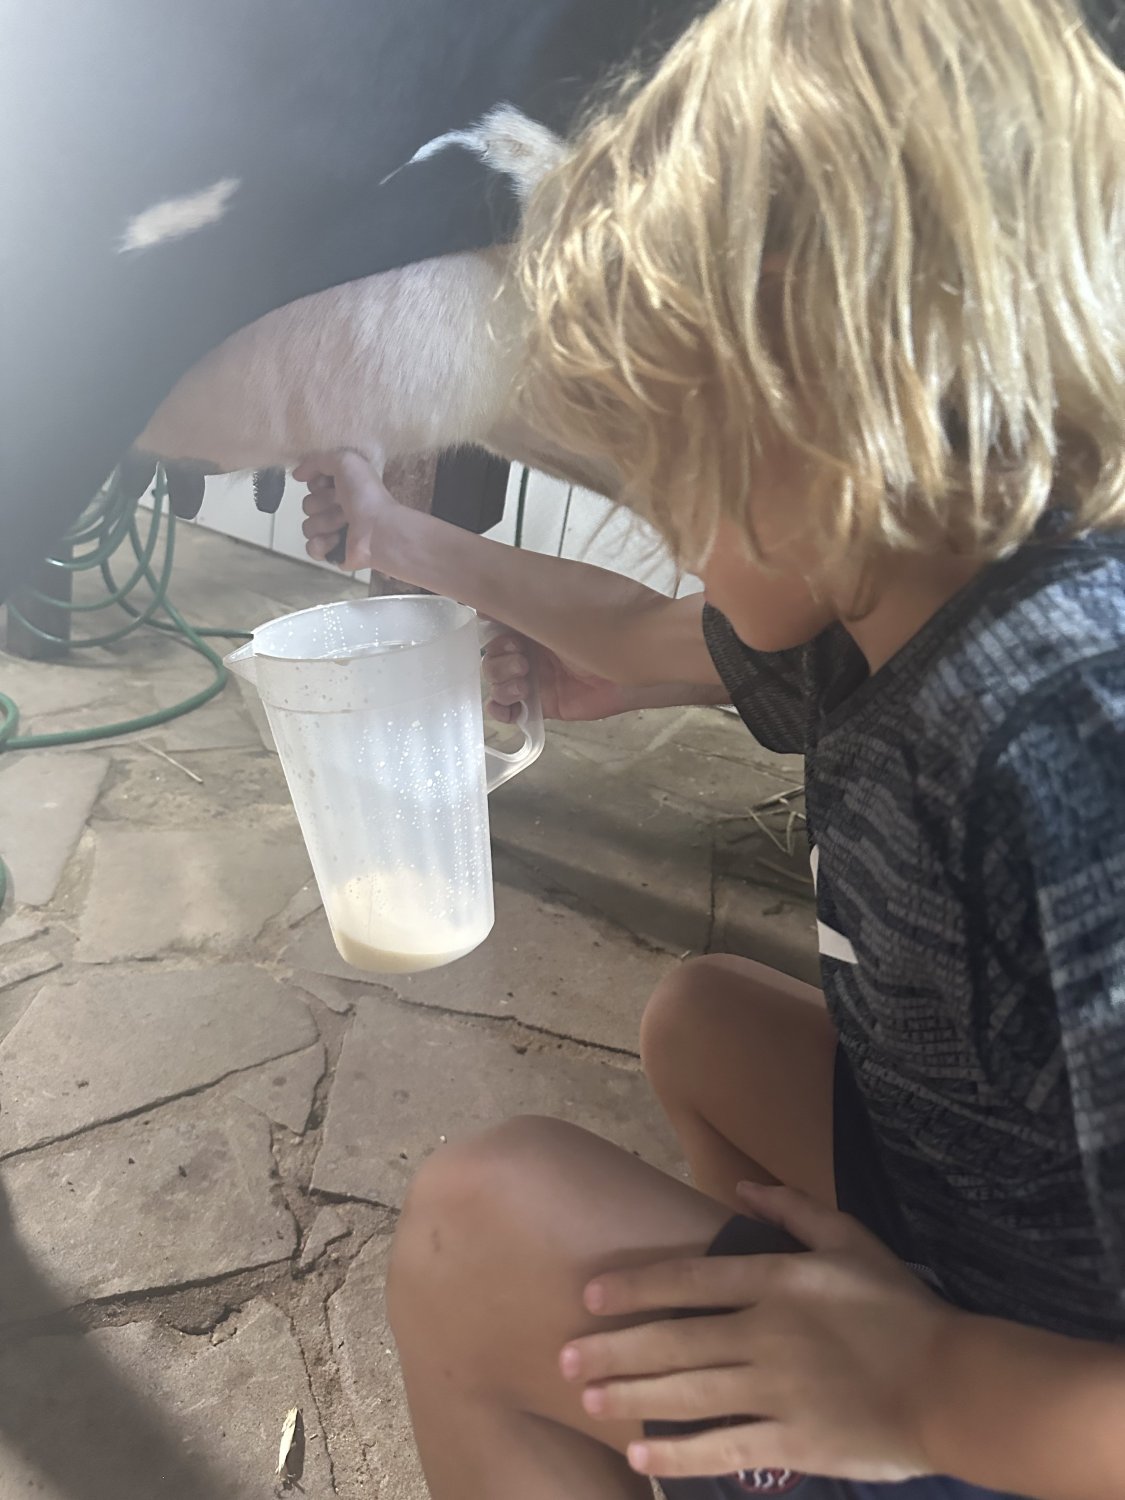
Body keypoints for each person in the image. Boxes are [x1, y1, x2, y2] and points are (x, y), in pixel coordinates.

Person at [295, 1, 1125, 1496]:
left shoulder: (1065, 730)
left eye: (668, 450)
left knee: (477, 1226)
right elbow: (633, 633)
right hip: (989, 1252)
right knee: (705, 1023)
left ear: (823, 392)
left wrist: (920, 1389)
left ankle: (821, 1431)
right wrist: (400, 537)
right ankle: (760, 1441)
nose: (661, 511)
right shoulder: (917, 582)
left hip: (1036, 1410)